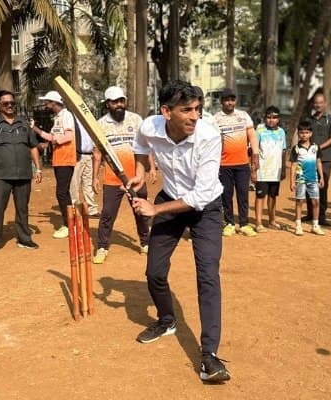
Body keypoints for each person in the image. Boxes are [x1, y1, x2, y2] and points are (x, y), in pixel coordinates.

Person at [128, 80, 230, 383]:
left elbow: (200, 196)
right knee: (154, 272)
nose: (195, 116)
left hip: (206, 208)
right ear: (166, 111)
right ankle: (167, 319)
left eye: (197, 109)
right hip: (171, 197)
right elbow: (139, 147)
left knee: (207, 277)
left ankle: (209, 356)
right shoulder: (150, 126)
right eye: (187, 110)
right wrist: (139, 173)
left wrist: (154, 210)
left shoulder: (209, 136)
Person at [92, 86, 150, 264]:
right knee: (108, 213)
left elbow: (145, 146)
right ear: (107, 104)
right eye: (115, 102)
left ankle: (145, 243)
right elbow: (97, 153)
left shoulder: (136, 119)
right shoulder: (100, 124)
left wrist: (151, 168)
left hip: (136, 178)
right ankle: (102, 247)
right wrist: (95, 176)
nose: (119, 105)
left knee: (141, 211)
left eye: (121, 101)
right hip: (112, 178)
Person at [0, 90, 43, 253]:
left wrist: (38, 168)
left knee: (22, 209)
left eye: (12, 103)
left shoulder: (23, 124)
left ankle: (25, 238)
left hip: (23, 175)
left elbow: (33, 147)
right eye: (5, 103)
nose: (9, 106)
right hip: (1, 176)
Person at [214, 87, 259, 237]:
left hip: (242, 164)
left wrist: (256, 157)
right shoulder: (216, 119)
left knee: (243, 194)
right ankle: (229, 223)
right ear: (222, 102)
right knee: (226, 194)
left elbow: (252, 136)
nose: (229, 102)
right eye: (226, 100)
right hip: (224, 164)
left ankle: (244, 224)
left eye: (232, 99)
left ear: (235, 101)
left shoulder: (243, 116)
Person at [31, 91, 76, 239]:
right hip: (59, 159)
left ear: (54, 102)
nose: (46, 105)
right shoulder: (57, 118)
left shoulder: (66, 116)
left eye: (47, 102)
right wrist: (36, 129)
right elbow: (51, 137)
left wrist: (55, 140)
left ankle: (69, 225)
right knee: (64, 193)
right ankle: (70, 222)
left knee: (61, 193)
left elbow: (69, 136)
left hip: (66, 158)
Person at [305, 91, 331, 226]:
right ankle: (310, 213)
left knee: (322, 186)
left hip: (324, 158)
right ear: (313, 104)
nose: (318, 105)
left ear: (325, 104)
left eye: (320, 102)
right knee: (308, 185)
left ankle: (322, 215)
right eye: (316, 102)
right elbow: (304, 136)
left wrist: (318, 147)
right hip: (309, 158)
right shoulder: (308, 120)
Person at [253, 106, 286, 232]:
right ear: (265, 118)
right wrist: (254, 169)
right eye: (268, 117)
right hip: (262, 170)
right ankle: (258, 222)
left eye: (274, 117)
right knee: (260, 196)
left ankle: (272, 221)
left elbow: (283, 151)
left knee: (273, 196)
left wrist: (283, 169)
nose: (271, 120)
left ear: (278, 119)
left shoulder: (281, 132)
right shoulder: (260, 130)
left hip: (275, 170)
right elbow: (255, 151)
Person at [290, 119, 324, 236]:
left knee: (315, 202)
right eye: (301, 132)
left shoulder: (316, 147)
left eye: (306, 132)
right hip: (300, 179)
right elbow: (293, 165)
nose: (304, 135)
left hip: (313, 178)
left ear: (311, 133)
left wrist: (321, 177)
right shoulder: (296, 149)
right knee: (299, 201)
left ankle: (315, 225)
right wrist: (292, 181)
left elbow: (318, 162)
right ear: (298, 134)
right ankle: (298, 225)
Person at [69, 110, 100, 218]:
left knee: (88, 183)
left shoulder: (88, 121)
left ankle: (91, 208)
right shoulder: (71, 119)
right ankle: (75, 208)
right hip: (77, 155)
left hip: (88, 154)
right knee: (75, 183)